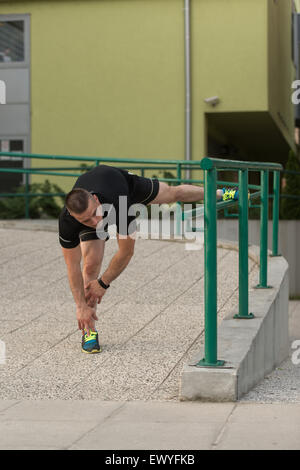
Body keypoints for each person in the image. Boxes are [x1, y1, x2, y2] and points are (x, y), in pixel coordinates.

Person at [59, 164, 237, 353]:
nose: (96, 223)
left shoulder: (120, 203)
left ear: (95, 199)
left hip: (123, 185)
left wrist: (103, 283)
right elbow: (72, 267)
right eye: (86, 220)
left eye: (95, 214)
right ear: (72, 215)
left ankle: (222, 193)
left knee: (172, 193)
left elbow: (126, 252)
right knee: (89, 266)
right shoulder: (68, 221)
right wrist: (80, 306)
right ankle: (89, 331)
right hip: (97, 201)